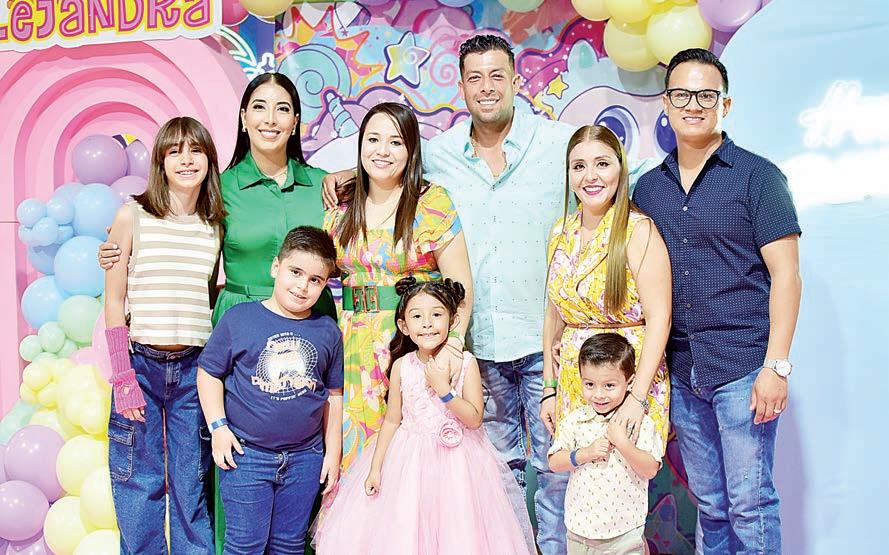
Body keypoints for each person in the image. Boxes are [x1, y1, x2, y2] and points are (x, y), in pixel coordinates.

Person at [99, 72, 336, 551]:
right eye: (259, 107)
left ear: (297, 120)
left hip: (306, 329)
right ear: (243, 118)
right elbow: (160, 256)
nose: (270, 118)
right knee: (219, 463)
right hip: (230, 332)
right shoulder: (217, 190)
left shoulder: (323, 186)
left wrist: (347, 175)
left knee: (271, 464)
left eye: (283, 108)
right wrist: (113, 252)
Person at [633, 48, 802, 554]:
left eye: (706, 95)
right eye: (682, 95)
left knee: (751, 504)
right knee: (710, 505)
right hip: (684, 371)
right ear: (666, 103)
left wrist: (776, 367)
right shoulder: (649, 190)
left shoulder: (758, 177)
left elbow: (787, 276)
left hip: (744, 367)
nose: (694, 105)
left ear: (725, 104)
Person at [314, 277, 535, 555]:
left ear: (453, 320)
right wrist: (376, 468)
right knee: (409, 528)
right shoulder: (402, 366)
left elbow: (475, 418)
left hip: (459, 464)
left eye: (437, 315)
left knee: (457, 529)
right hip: (409, 461)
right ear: (404, 325)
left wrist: (445, 391)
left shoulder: (466, 363)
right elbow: (392, 420)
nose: (427, 323)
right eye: (417, 316)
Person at [324, 102, 472, 472]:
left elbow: (460, 286)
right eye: (373, 140)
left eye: (395, 142)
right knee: (356, 455)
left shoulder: (432, 202)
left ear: (411, 150)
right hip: (352, 345)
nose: (382, 151)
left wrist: (452, 345)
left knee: (411, 455)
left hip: (414, 343)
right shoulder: (341, 205)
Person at [104, 116, 223, 553]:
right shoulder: (131, 215)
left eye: (196, 150)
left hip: (195, 371)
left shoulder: (215, 225)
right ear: (160, 161)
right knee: (139, 483)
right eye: (175, 151)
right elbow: (113, 301)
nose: (186, 160)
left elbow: (208, 294)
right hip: (141, 366)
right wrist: (123, 377)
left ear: (209, 160)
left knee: (192, 485)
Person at [196, 226, 344, 555]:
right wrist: (218, 427)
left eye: (315, 280)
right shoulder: (239, 319)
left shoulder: (327, 331)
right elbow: (208, 373)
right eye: (296, 272)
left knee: (289, 545)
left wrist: (332, 452)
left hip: (305, 459)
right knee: (244, 546)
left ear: (325, 284)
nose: (302, 286)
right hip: (247, 456)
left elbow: (334, 395)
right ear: (276, 267)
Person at [541, 125, 672, 457]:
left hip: (628, 380)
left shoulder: (638, 230)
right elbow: (553, 314)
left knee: (622, 479)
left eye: (602, 163)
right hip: (576, 378)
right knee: (580, 479)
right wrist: (549, 387)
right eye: (579, 166)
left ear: (620, 168)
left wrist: (636, 398)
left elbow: (660, 318)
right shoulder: (560, 232)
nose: (590, 176)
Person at [548, 333, 663, 555]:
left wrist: (623, 443)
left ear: (629, 382)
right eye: (590, 384)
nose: (598, 394)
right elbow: (554, 462)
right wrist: (584, 453)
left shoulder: (639, 423)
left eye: (609, 385)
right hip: (580, 530)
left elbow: (650, 469)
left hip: (625, 532)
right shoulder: (576, 419)